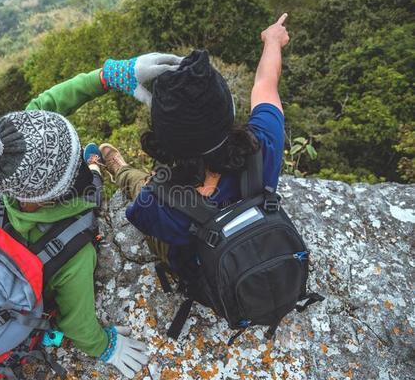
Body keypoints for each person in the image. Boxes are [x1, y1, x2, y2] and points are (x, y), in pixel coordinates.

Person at [0, 52, 181, 379]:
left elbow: (47, 103)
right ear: (58, 192)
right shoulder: (72, 253)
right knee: (92, 182)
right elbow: (76, 324)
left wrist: (107, 76)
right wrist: (104, 346)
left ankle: (95, 162)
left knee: (84, 168)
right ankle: (96, 164)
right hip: (27, 304)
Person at [100, 13, 291, 268]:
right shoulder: (264, 142)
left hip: (204, 268)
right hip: (257, 243)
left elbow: (140, 216)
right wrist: (272, 41)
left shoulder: (152, 205)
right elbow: (266, 82)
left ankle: (121, 170)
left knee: (140, 185)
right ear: (229, 111)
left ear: (162, 143)